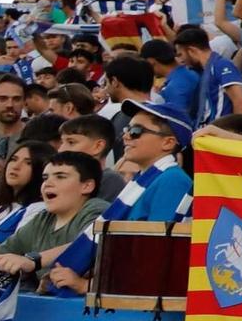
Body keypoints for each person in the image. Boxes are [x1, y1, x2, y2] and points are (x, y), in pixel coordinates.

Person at [44, 100, 195, 296]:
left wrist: (87, 286)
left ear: (168, 142)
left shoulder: (171, 180)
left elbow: (156, 256)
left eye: (136, 131)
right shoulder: (143, 181)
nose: (125, 136)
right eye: (127, 128)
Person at [0, 151, 109, 296]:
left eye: (60, 177)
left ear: (87, 186)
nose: (48, 183)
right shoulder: (42, 219)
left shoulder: (98, 209)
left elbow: (89, 242)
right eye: (45, 178)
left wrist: (32, 261)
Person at [172, 25, 242, 128]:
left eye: (181, 55)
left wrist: (238, 136)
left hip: (223, 135)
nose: (181, 61)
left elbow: (240, 102)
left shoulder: (221, 65)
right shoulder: (204, 71)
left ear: (192, 51)